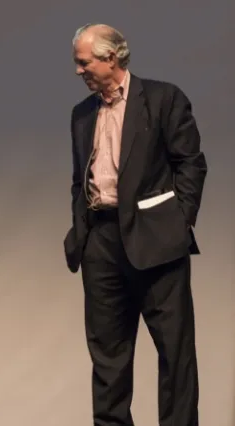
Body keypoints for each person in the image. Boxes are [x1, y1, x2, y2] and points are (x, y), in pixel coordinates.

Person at [63, 23, 207, 426]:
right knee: (108, 357)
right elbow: (81, 180)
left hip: (157, 240)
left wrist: (178, 224)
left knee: (175, 354)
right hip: (101, 242)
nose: (78, 71)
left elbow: (191, 164)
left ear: (111, 58)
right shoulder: (81, 114)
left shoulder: (162, 99)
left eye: (84, 62)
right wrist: (82, 232)